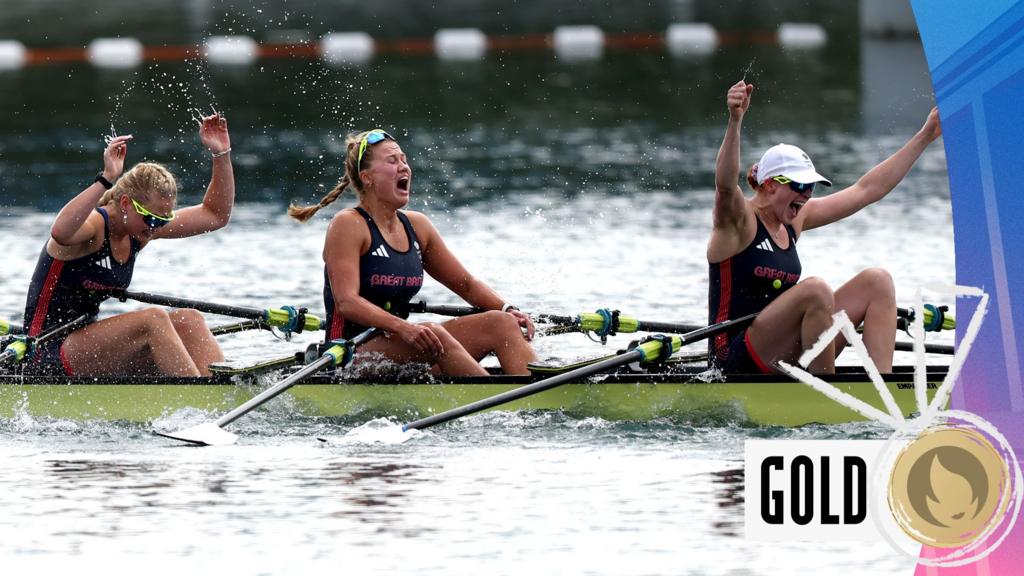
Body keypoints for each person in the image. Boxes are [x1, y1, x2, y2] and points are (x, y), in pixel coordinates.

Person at [708, 80, 942, 374]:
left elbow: (866, 190)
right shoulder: (737, 221)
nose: (807, 194)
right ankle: (826, 395)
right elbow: (725, 186)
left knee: (877, 282)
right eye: (801, 185)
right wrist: (735, 120)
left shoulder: (796, 219)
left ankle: (882, 389)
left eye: (812, 187)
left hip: (780, 352)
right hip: (732, 358)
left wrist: (925, 135)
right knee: (816, 290)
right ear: (769, 185)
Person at [288, 129, 536, 376]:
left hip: (403, 347)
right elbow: (347, 302)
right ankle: (501, 406)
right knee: (433, 332)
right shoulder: (348, 225)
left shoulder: (418, 227)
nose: (404, 167)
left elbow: (467, 285)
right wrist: (404, 328)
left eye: (404, 159)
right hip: (352, 355)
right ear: (367, 177)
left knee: (501, 323)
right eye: (392, 161)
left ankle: (539, 389)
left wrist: (508, 309)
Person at [22, 114, 235, 377]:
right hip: (44, 351)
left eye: (162, 220)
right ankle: (198, 403)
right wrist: (106, 178)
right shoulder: (94, 226)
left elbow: (215, 215)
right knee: (152, 319)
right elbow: (60, 232)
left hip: (89, 348)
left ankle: (218, 394)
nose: (155, 227)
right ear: (125, 204)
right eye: (151, 218)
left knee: (189, 320)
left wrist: (221, 153)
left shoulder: (139, 230)